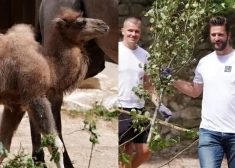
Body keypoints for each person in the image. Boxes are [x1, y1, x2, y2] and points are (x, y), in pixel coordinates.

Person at [162, 16, 235, 168]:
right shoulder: (204, 62)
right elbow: (195, 91)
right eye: (213, 35)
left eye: (220, 34)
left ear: (228, 35)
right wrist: (172, 79)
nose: (216, 38)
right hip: (209, 132)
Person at [118, 17, 172, 168]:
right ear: (123, 31)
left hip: (139, 110)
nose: (133, 34)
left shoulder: (145, 55)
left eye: (137, 31)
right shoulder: (117, 51)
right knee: (125, 155)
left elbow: (149, 85)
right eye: (130, 30)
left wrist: (160, 105)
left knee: (145, 151)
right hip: (121, 109)